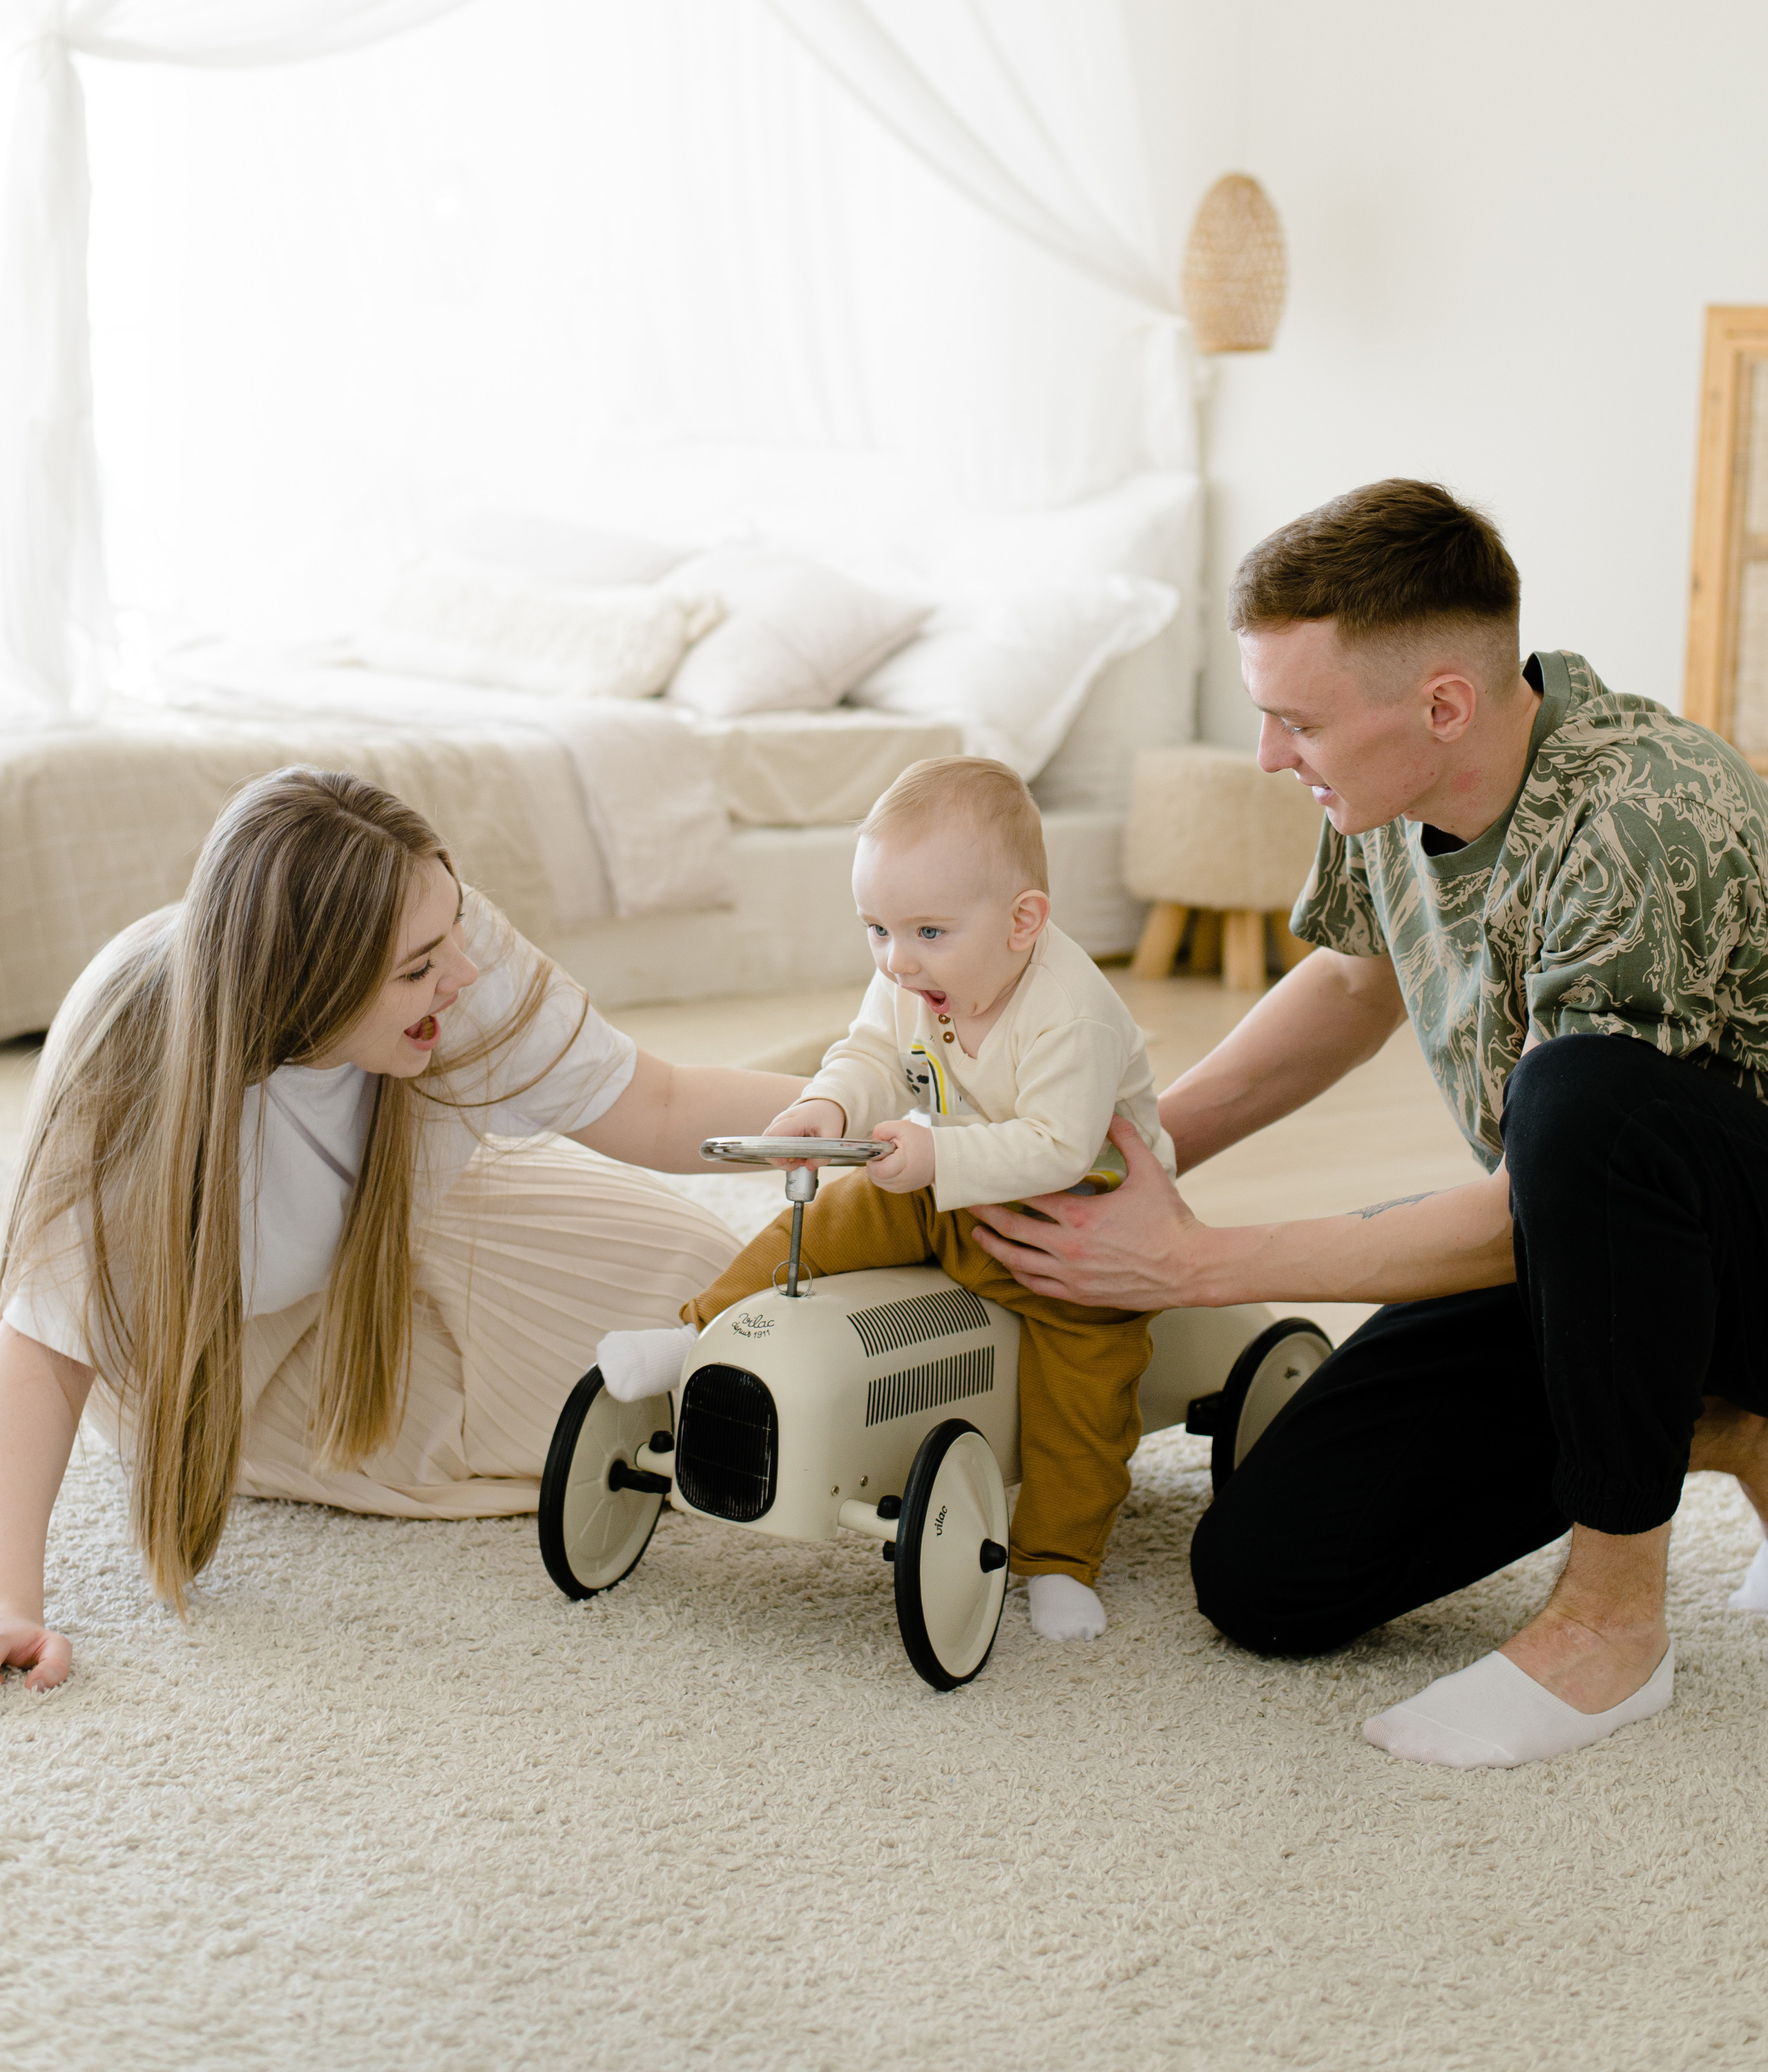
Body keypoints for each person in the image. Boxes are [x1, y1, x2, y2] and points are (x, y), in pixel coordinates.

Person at [968, 479, 1768, 1769]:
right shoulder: (1397, 793)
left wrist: (1192, 1262)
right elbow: (1352, 977)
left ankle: (1615, 1625)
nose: (1274, 755)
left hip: (1721, 1238)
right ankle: (1721, 1420)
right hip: (1604, 1257)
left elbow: (1556, 1187)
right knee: (1267, 1576)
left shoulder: (1645, 817)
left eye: (1297, 721)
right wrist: (1123, 1147)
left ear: (1442, 702)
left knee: (1581, 1099)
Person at [0, 766, 807, 1694]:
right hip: (208, 1342)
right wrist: (15, 1600)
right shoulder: (126, 1069)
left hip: (384, 1241)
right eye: (419, 969)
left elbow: (658, 1104)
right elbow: (47, 1344)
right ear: (306, 995)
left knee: (714, 1303)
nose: (462, 971)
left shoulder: (451, 955)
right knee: (616, 1424)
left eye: (454, 925)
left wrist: (873, 1115)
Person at [597, 756, 1173, 1644]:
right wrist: (829, 1104)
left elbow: (1059, 1146)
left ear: (1024, 923)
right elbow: (871, 1056)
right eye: (876, 929)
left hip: (1079, 1233)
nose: (897, 960)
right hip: (956, 1193)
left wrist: (937, 1153)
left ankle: (1058, 1559)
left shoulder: (1071, 1014)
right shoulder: (912, 977)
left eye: (928, 932)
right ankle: (699, 1333)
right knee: (830, 1216)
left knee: (1084, 1399)